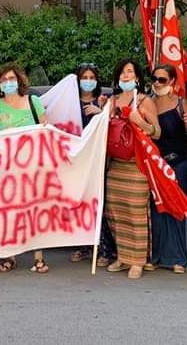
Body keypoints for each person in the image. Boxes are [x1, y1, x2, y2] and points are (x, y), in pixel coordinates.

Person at [0, 63, 49, 274]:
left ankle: (38, 257)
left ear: (19, 81)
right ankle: (9, 256)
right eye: (4, 80)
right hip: (5, 170)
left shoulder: (33, 101)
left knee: (33, 211)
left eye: (12, 79)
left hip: (31, 167)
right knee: (8, 213)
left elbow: (46, 129)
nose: (8, 83)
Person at [105, 58, 161, 280]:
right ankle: (122, 256)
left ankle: (138, 260)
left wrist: (140, 122)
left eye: (130, 72)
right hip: (116, 165)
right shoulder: (112, 101)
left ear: (137, 77)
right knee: (116, 212)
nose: (126, 76)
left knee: (136, 212)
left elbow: (157, 133)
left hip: (137, 165)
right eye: (122, 73)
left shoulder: (146, 101)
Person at [69, 63, 116, 265]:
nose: (88, 81)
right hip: (76, 160)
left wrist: (100, 112)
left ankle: (104, 248)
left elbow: (112, 126)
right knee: (80, 202)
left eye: (91, 77)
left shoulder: (102, 102)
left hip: (98, 159)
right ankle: (83, 246)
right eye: (84, 77)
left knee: (99, 203)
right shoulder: (69, 103)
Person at [148, 64, 187, 275]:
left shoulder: (181, 104)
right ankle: (156, 256)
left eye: (162, 79)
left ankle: (178, 258)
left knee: (176, 208)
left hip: (178, 163)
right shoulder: (148, 103)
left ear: (172, 82)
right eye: (154, 79)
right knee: (157, 210)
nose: (157, 83)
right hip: (156, 165)